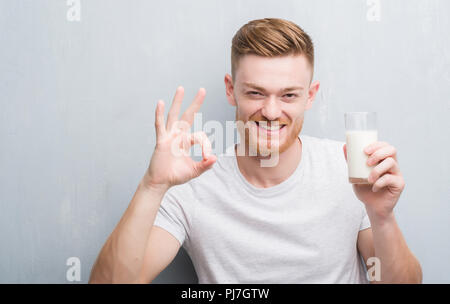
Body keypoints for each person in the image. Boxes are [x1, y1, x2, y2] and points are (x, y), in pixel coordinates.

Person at [89, 18, 422, 284]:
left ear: (310, 95)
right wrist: (152, 186)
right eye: (256, 93)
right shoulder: (189, 187)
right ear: (231, 90)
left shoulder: (349, 170)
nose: (272, 111)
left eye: (289, 95)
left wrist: (382, 217)